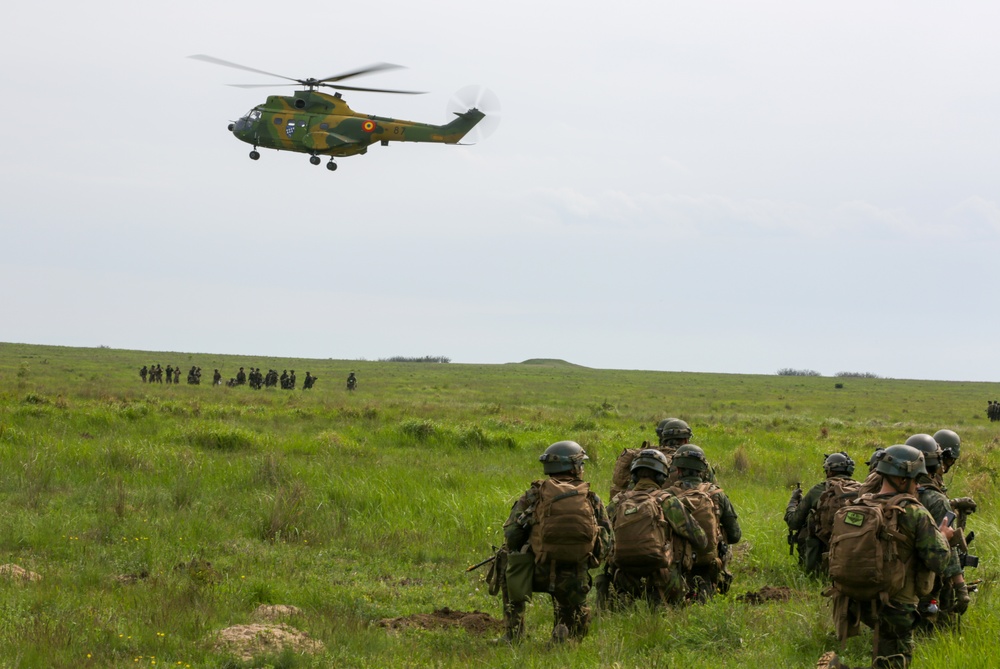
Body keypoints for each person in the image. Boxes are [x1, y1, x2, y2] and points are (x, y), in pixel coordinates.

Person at [827, 444, 953, 669]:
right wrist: (944, 537)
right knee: (896, 661)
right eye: (916, 479)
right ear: (903, 479)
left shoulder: (861, 503)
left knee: (883, 656)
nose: (917, 485)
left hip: (860, 598)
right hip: (897, 603)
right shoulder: (914, 512)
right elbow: (939, 561)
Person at [499, 441, 612, 644]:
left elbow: (512, 536)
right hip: (575, 577)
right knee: (575, 621)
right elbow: (608, 539)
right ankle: (566, 630)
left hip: (537, 572)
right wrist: (588, 559)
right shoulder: (591, 498)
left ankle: (513, 634)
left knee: (505, 561)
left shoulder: (533, 495)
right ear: (575, 467)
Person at [602, 449, 706, 608]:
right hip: (663, 578)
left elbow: (603, 535)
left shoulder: (618, 501)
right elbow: (700, 539)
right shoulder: (667, 501)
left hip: (623, 577)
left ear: (634, 475)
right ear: (661, 476)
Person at [904, 435, 970, 628]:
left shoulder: (891, 491)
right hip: (925, 573)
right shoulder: (935, 498)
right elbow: (946, 546)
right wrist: (960, 586)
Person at [667, 444, 740, 599]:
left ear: (678, 470)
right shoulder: (716, 495)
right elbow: (735, 535)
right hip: (709, 565)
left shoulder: (666, 497)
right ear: (703, 470)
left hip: (676, 566)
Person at [785, 452, 858, 576]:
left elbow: (794, 522)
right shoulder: (864, 490)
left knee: (808, 523)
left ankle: (813, 570)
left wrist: (793, 502)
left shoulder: (818, 490)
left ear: (829, 471)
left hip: (822, 557)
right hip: (856, 553)